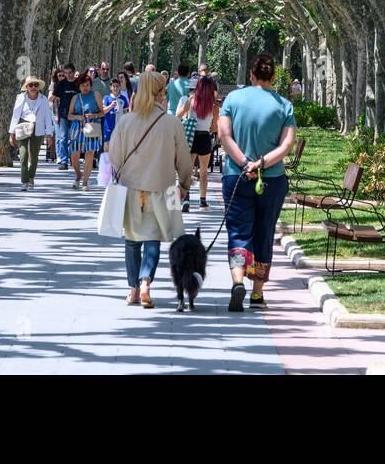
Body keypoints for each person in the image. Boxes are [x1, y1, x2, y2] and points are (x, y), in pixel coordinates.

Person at [107, 71, 193, 307]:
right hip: (162, 190)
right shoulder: (172, 123)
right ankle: (146, 282)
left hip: (131, 189)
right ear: (160, 93)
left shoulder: (125, 121)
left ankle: (133, 289)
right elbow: (184, 161)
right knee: (153, 238)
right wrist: (184, 184)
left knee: (132, 241)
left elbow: (114, 157)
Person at [217, 54, 296, 312]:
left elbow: (224, 136)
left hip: (236, 176)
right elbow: (286, 145)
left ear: (250, 75)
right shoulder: (284, 106)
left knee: (238, 231)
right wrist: (260, 164)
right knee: (264, 232)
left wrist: (243, 163)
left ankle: (238, 279)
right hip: (271, 179)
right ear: (273, 77)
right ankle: (257, 293)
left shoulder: (232, 99)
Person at [177, 75, 219, 211]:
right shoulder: (213, 106)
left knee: (187, 170)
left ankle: (186, 199)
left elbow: (178, 114)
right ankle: (202, 201)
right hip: (205, 138)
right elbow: (214, 128)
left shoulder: (191, 100)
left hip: (191, 137)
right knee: (203, 172)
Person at [7, 76, 55, 191]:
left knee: (34, 157)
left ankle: (31, 177)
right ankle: (24, 181)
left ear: (38, 87)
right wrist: (11, 133)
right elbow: (15, 115)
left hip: (37, 128)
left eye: (35, 85)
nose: (33, 87)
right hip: (23, 127)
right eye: (30, 85)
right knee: (23, 155)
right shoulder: (20, 98)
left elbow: (48, 117)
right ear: (26, 87)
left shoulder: (43, 99)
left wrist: (49, 134)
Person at [67, 73, 105, 190]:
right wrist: (77, 117)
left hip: (92, 127)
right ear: (79, 86)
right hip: (76, 128)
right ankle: (78, 174)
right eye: (83, 85)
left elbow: (102, 113)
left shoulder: (96, 95)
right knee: (74, 156)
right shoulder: (75, 98)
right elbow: (69, 115)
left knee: (89, 154)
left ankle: (85, 182)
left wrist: (94, 115)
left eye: (87, 85)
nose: (85, 87)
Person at [52, 63, 78, 169]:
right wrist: (57, 115)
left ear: (74, 72)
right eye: (66, 73)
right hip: (63, 114)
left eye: (70, 73)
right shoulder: (61, 84)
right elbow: (56, 101)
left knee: (74, 139)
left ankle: (74, 160)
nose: (68, 75)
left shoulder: (78, 84)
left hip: (75, 115)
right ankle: (63, 161)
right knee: (63, 138)